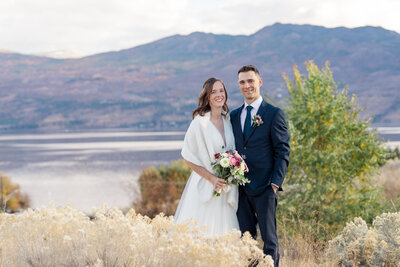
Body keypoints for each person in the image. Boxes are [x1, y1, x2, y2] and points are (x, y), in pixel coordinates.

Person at [230, 65, 290, 266]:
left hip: (265, 187)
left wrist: (274, 184)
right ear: (238, 85)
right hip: (241, 189)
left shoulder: (273, 114)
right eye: (242, 82)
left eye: (250, 81)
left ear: (259, 82)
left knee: (270, 243)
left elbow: (283, 151)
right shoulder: (233, 116)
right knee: (246, 242)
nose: (247, 86)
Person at [174, 77, 239, 236]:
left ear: (225, 94)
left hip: (225, 187)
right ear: (207, 96)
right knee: (203, 233)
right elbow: (187, 156)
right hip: (207, 185)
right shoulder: (200, 122)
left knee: (224, 234)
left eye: (221, 90)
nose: (218, 94)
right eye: (213, 92)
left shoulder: (228, 120)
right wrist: (211, 178)